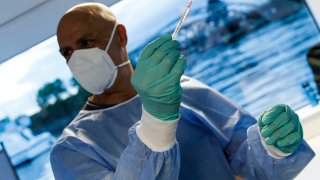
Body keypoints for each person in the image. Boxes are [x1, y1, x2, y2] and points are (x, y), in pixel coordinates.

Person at [50, 3, 315, 180]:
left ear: (120, 36)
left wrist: (274, 147)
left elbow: (250, 162)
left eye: (87, 42)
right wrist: (156, 119)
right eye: (67, 53)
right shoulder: (72, 149)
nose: (77, 59)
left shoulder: (185, 90)